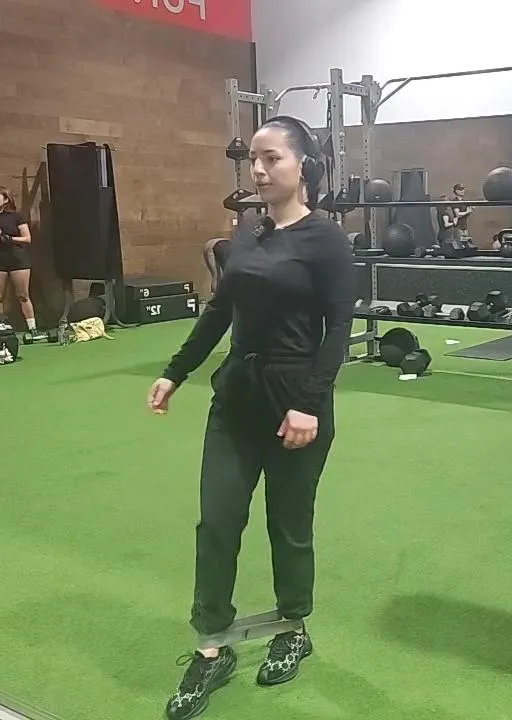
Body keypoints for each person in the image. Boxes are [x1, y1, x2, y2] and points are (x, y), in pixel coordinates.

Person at [147, 114, 355, 720]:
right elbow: (220, 311)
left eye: (271, 159)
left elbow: (338, 330)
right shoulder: (247, 233)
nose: (258, 171)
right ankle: (211, 646)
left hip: (296, 402)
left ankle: (293, 626)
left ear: (303, 165)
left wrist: (308, 404)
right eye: (253, 161)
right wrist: (176, 371)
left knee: (288, 524)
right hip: (236, 397)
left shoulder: (327, 239)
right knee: (217, 521)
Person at [0, 187, 40, 337]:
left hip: (18, 259)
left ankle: (33, 329)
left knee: (23, 295)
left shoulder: (17, 216)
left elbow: (27, 238)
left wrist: (8, 238)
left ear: (6, 199)